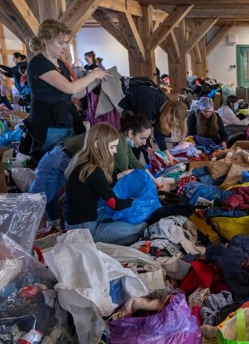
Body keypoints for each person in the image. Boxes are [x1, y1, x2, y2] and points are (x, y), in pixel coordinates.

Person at [30, 111, 159, 223]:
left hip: (65, 160)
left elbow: (135, 163)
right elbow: (121, 180)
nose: (144, 143)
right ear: (131, 133)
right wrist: (134, 200)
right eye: (143, 138)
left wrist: (155, 180)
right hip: (57, 161)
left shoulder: (120, 141)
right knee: (36, 203)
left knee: (53, 201)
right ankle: (18, 238)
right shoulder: (117, 145)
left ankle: (53, 228)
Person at [21, 19, 110, 163]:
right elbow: (70, 87)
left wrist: (96, 81)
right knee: (52, 165)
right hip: (49, 125)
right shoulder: (38, 63)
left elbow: (74, 94)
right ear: (45, 41)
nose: (65, 47)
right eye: (61, 43)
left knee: (67, 165)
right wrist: (93, 74)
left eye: (66, 43)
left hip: (65, 121)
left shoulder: (60, 63)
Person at [63, 123, 147, 245]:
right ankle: (95, 246)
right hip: (86, 229)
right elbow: (115, 204)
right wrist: (133, 200)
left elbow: (99, 185)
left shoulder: (80, 161)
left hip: (75, 221)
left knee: (120, 217)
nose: (115, 151)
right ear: (97, 145)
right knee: (142, 226)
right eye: (112, 147)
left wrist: (118, 176)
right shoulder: (94, 171)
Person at [118, 83, 187, 154]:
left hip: (135, 118)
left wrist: (166, 152)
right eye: (172, 119)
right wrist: (149, 149)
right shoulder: (149, 106)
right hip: (121, 113)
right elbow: (140, 132)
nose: (171, 122)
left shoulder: (164, 105)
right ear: (169, 111)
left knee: (143, 147)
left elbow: (159, 132)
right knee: (134, 148)